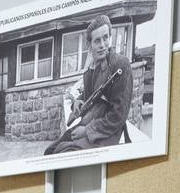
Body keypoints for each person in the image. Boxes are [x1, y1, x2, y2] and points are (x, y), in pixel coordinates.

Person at [44, 15, 134, 155]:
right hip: (89, 122)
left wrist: (86, 131)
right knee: (49, 151)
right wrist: (77, 103)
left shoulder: (120, 65)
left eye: (105, 38)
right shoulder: (91, 70)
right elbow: (89, 96)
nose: (102, 45)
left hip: (106, 132)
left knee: (62, 153)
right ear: (89, 45)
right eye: (97, 40)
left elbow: (118, 116)